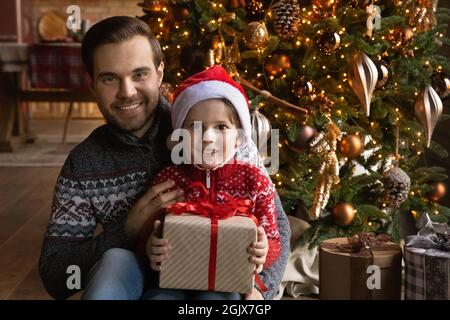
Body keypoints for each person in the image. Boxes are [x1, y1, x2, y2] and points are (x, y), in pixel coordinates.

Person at [38, 16, 290, 300]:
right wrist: (127, 230)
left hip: (216, 278)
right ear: (92, 85)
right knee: (115, 260)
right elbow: (57, 274)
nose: (127, 92)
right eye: (109, 78)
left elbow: (277, 226)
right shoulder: (84, 164)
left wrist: (257, 288)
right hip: (132, 277)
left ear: (159, 74)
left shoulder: (215, 125)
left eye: (139, 74)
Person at [138, 65, 280, 300]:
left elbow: (273, 240)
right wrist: (150, 246)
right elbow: (146, 236)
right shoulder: (168, 180)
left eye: (221, 127)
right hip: (171, 282)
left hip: (226, 283)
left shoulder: (254, 182)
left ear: (240, 137)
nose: (208, 137)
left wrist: (265, 250)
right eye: (196, 127)